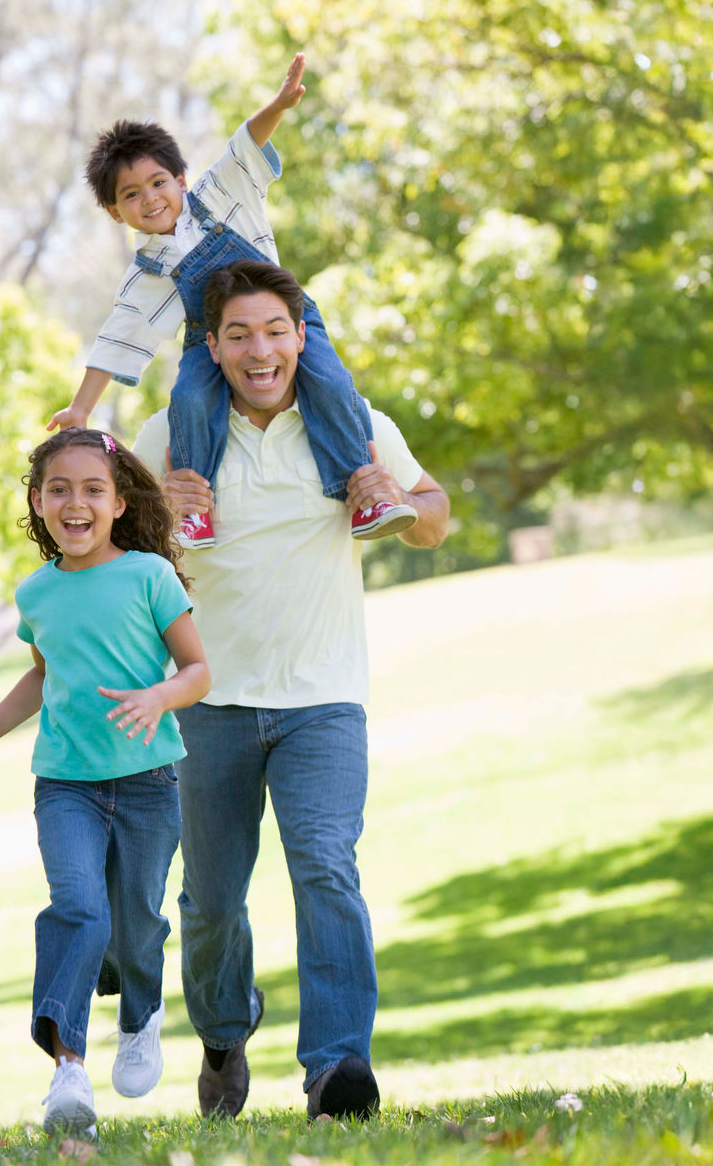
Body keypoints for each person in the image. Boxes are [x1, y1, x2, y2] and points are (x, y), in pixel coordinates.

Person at [134, 258, 450, 1122]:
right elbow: (112, 558)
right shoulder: (171, 434)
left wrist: (400, 501)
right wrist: (155, 512)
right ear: (215, 347)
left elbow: (435, 512)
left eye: (275, 330)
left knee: (325, 869)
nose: (259, 349)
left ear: (300, 339)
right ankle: (225, 1033)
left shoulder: (352, 426)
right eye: (238, 334)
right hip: (209, 707)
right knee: (209, 903)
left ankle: (336, 1068)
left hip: (323, 700)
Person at [0, 428, 211, 1139]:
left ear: (119, 503)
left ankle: (140, 1015)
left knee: (139, 921)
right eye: (59, 489)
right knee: (80, 910)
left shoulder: (149, 577)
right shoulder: (37, 592)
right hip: (66, 785)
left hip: (149, 780)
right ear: (38, 502)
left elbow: (198, 671)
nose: (75, 502)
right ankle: (68, 1067)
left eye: (93, 490)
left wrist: (160, 697)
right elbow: (42, 673)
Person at [48, 52, 415, 550]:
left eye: (158, 183)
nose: (150, 198)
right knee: (190, 398)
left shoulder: (218, 195)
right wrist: (79, 408)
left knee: (329, 382)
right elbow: (116, 339)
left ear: (181, 179)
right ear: (115, 213)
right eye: (131, 195)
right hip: (208, 337)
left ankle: (363, 493)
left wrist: (280, 104)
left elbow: (246, 144)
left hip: (286, 317)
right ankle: (196, 512)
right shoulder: (146, 275)